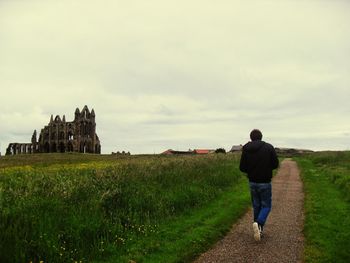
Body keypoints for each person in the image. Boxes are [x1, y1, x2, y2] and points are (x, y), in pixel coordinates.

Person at [239, 129, 279, 241]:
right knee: (266, 206)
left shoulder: (246, 149)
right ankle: (258, 223)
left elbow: (242, 167)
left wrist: (250, 170)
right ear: (261, 137)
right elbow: (275, 164)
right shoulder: (269, 147)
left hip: (252, 182)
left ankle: (259, 230)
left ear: (251, 137)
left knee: (256, 205)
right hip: (265, 182)